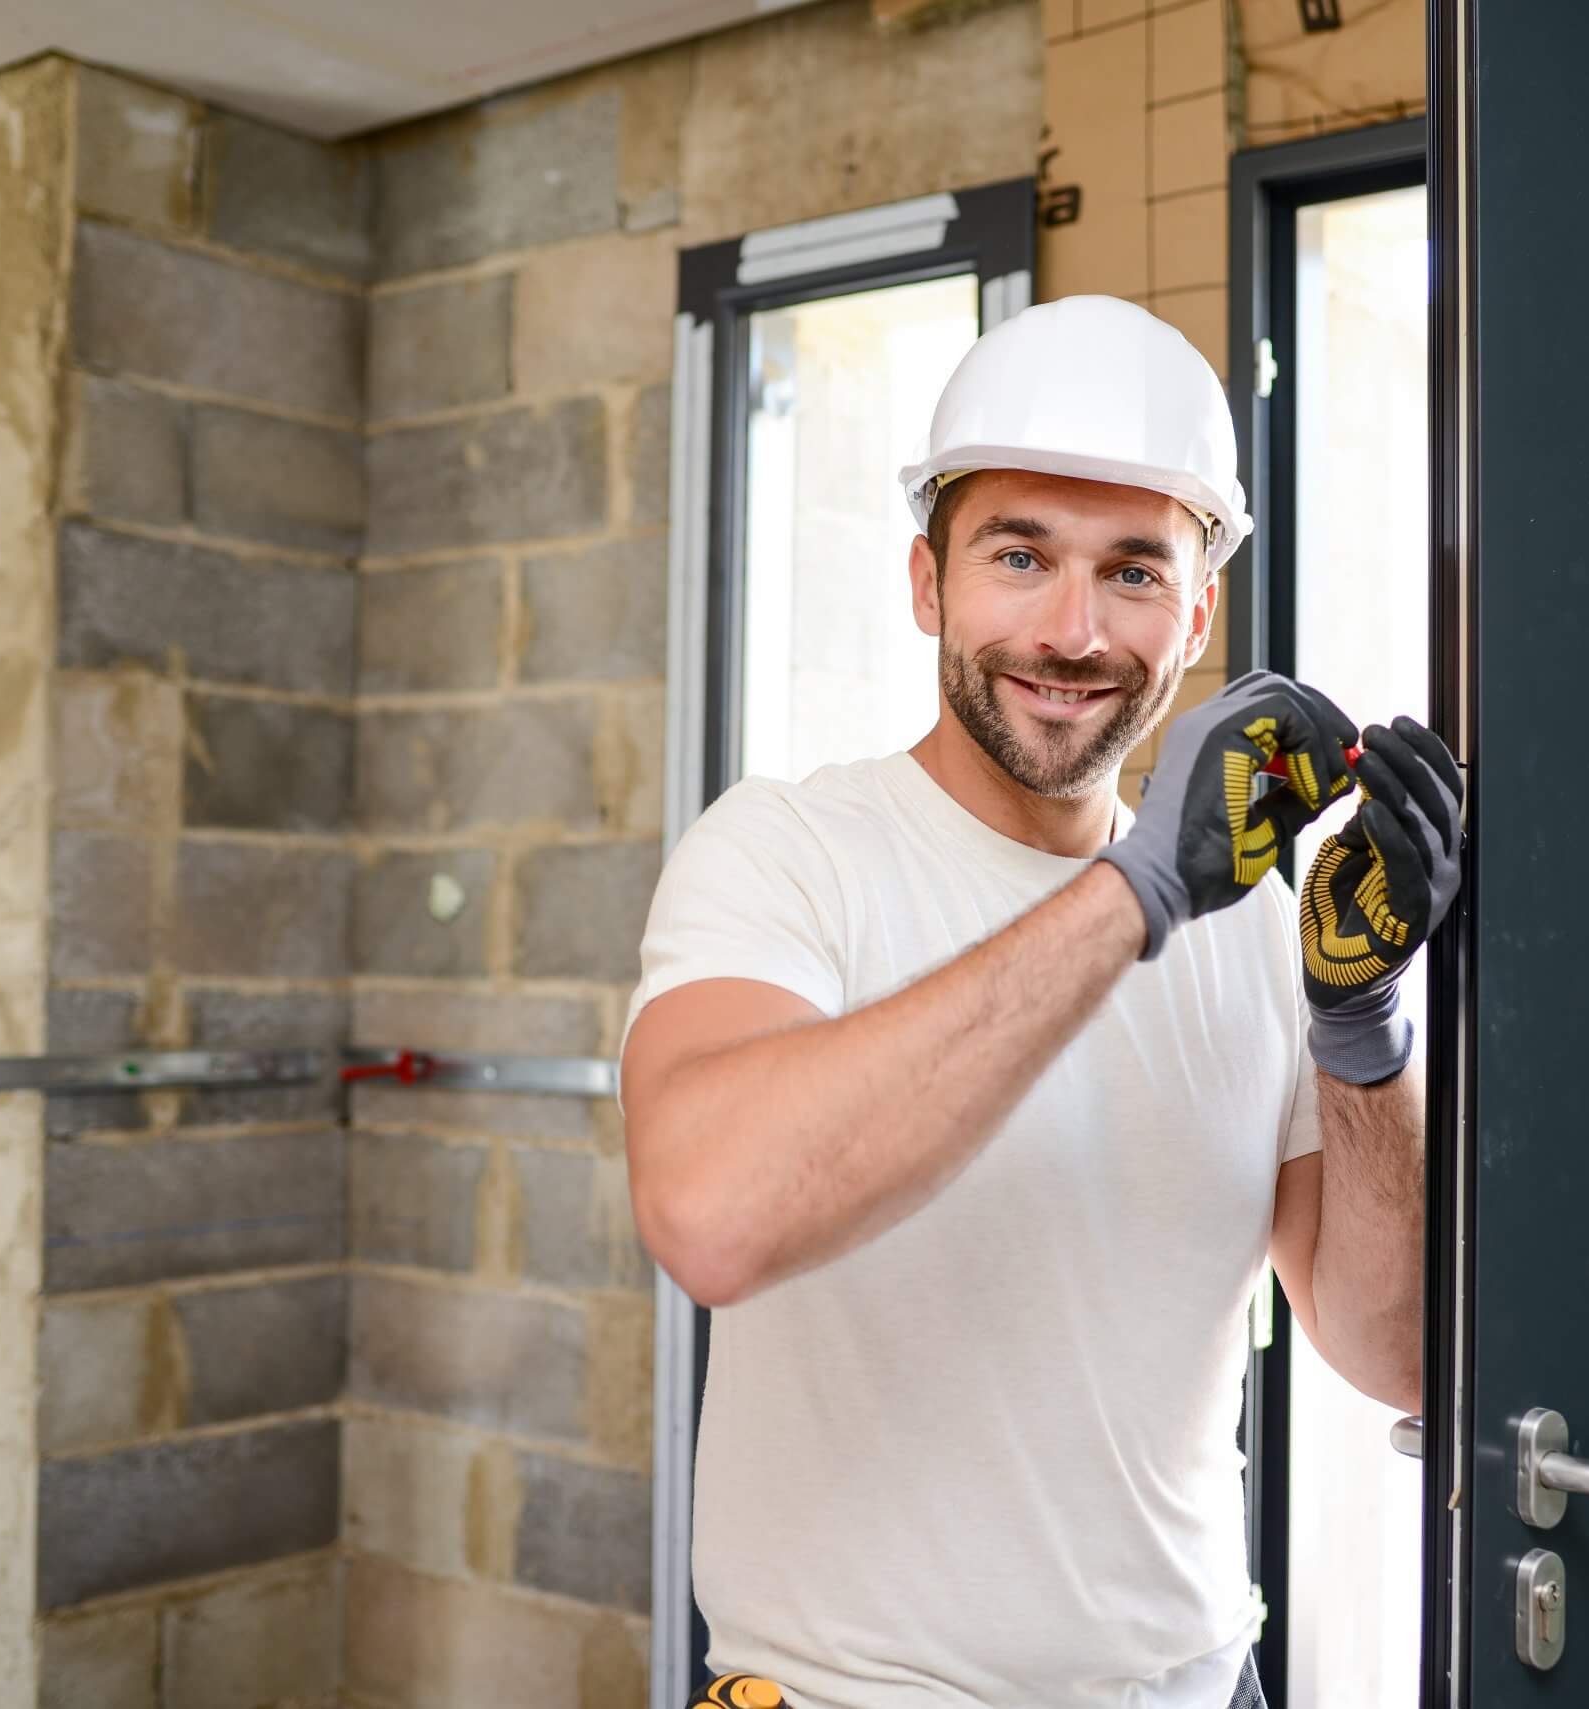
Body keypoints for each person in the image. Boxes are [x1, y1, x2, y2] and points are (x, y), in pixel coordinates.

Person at [621, 294, 1466, 1709]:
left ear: (1196, 615)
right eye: (1021, 555)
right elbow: (712, 1214)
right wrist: (1136, 890)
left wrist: (1360, 1024)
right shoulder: (790, 855)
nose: (1074, 631)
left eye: (1134, 573)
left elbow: (1393, 1355)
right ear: (925, 582)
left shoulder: (1251, 921)